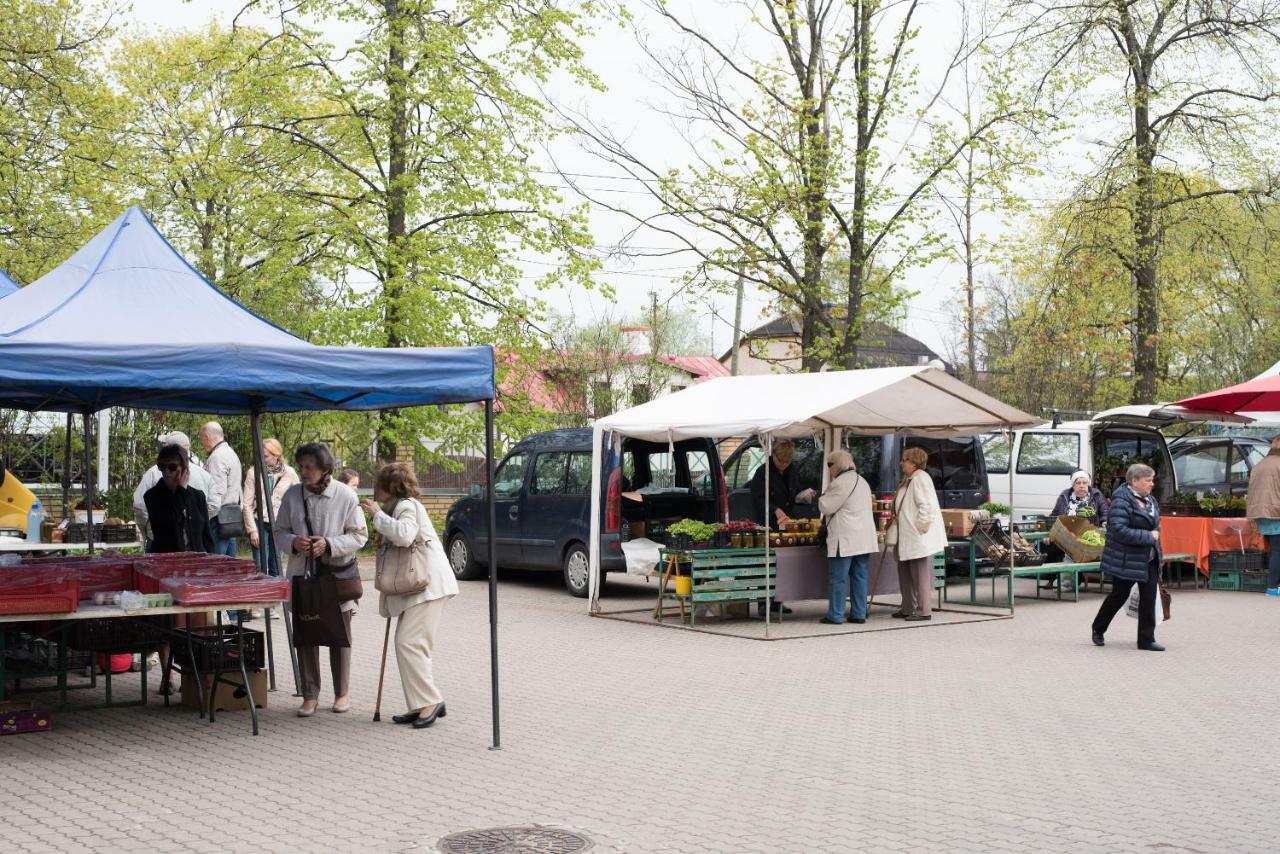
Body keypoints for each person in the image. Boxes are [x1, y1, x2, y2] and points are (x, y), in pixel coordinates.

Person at [361, 462, 458, 729]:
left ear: (389, 486)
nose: (374, 488)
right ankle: (419, 703)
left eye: (378, 483)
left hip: (428, 585)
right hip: (422, 586)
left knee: (409, 643)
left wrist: (378, 516)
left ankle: (430, 701)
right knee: (410, 643)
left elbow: (404, 536)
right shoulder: (401, 507)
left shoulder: (406, 506)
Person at [275, 442, 369, 716]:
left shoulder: (345, 495)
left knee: (340, 635)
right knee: (306, 634)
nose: (304, 472)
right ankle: (309, 694)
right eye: (301, 466)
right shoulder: (292, 495)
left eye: (309, 467)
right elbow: (279, 532)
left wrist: (328, 544)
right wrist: (294, 542)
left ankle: (342, 693)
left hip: (336, 576)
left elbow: (359, 535)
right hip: (303, 577)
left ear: (325, 467)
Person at [1091, 463, 1164, 651]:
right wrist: (1148, 536)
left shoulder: (1151, 500)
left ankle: (1146, 640)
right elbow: (1119, 530)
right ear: (1134, 481)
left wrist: (1155, 538)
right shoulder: (1121, 501)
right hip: (1126, 558)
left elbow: (1156, 524)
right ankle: (1098, 627)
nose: (1151, 484)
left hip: (1148, 557)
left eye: (1152, 480)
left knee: (1149, 597)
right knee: (1119, 595)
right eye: (1148, 480)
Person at [748, 437, 815, 615]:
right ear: (774, 455)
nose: (784, 464)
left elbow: (793, 494)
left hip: (786, 524)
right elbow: (757, 498)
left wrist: (805, 494)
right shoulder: (763, 472)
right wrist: (775, 510)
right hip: (767, 524)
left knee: (782, 564)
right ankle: (764, 603)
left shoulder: (792, 471)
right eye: (781, 460)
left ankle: (779, 600)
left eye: (788, 461)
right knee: (767, 564)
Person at [885, 446, 946, 621]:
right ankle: (907, 607)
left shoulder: (920, 479)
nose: (901, 463)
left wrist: (920, 527)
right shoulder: (910, 479)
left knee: (919, 574)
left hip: (915, 535)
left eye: (904, 460)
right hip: (907, 536)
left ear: (913, 462)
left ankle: (923, 610)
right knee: (904, 571)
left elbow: (927, 506)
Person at [817, 450, 876, 625]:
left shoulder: (840, 483)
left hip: (845, 538)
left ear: (838, 465)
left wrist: (819, 497)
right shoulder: (863, 481)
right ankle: (859, 613)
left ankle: (835, 615)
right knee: (860, 576)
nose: (828, 469)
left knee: (838, 578)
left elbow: (826, 507)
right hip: (864, 538)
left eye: (829, 465)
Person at [133, 431, 212, 548]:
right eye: (162, 467)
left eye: (172, 467)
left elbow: (206, 536)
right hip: (167, 559)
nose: (166, 471)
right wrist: (181, 490)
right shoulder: (153, 496)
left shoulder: (198, 496)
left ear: (184, 468)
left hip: (196, 560)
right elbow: (169, 526)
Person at [242, 438, 299, 577]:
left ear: (276, 455)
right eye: (260, 455)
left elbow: (298, 499)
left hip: (279, 525)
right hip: (258, 522)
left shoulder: (289, 473)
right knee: (261, 567)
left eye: (265, 456)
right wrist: (252, 530)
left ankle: (276, 598)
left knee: (276, 566)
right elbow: (246, 504)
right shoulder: (253, 472)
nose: (262, 458)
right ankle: (262, 597)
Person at [1042, 471, 1109, 589]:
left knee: (1072, 549)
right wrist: (1049, 534)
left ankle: (1070, 581)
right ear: (1073, 485)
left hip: (1089, 537)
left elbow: (1105, 512)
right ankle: (1053, 578)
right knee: (1046, 548)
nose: (1082, 485)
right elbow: (1054, 516)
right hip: (1064, 535)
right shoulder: (1065, 496)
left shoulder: (1096, 495)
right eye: (1078, 483)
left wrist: (1105, 521)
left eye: (1084, 483)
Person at [200, 421, 243, 558]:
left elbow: (216, 495)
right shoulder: (231, 453)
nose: (202, 444)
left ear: (207, 437)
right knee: (231, 567)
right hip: (232, 517)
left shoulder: (216, 458)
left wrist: (204, 518)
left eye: (202, 439)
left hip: (218, 519)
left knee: (215, 566)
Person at [1244, 435, 1280, 597]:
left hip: (1262, 513)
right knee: (1277, 551)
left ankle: (1273, 586)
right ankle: (1272, 587)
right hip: (1276, 512)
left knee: (1275, 550)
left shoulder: (1260, 465)